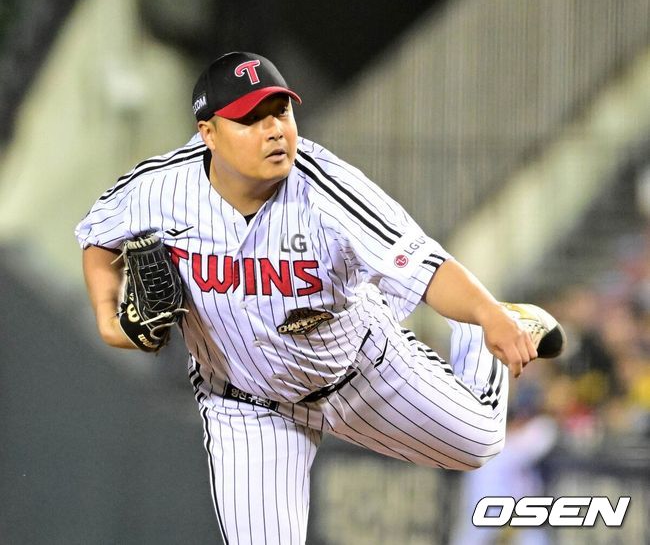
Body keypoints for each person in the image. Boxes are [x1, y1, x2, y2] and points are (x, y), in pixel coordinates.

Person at [76, 51, 565, 545]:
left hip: (360, 371)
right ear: (209, 133)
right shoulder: (160, 189)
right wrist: (106, 317)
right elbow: (98, 234)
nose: (274, 130)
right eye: (251, 119)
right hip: (247, 405)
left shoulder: (326, 189)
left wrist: (487, 314)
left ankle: (483, 326)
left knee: (480, 441)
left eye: (281, 112)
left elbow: (426, 265)